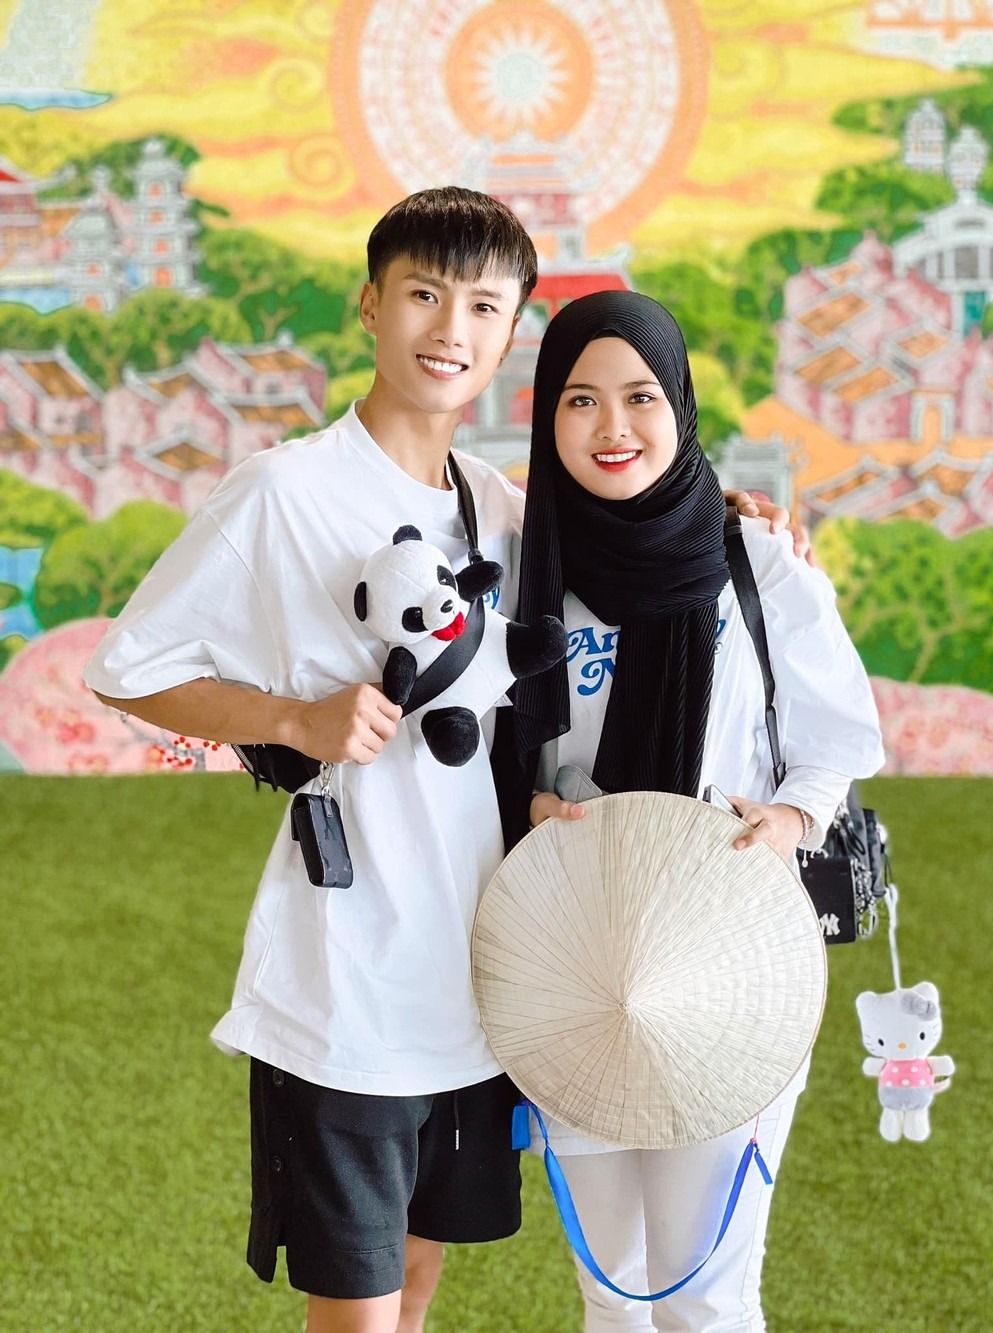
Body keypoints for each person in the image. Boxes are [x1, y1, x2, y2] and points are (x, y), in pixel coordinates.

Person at [84, 187, 807, 1333]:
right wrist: (294, 719)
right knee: (361, 1310)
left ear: (510, 331)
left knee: (418, 1284)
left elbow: (631, 528)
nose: (449, 329)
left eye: (482, 305)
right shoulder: (284, 490)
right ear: (371, 304)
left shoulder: (505, 510)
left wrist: (731, 517)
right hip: (348, 982)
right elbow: (128, 669)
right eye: (423, 293)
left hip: (487, 985)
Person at [502, 289, 885, 1333]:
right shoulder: (526, 566)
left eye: (639, 396)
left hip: (729, 956)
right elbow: (497, 745)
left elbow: (840, 732)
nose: (612, 426)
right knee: (608, 1288)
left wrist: (791, 820)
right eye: (580, 399)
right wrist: (526, 800)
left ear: (679, 405)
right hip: (575, 963)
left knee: (704, 1291)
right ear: (547, 416)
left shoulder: (752, 559)